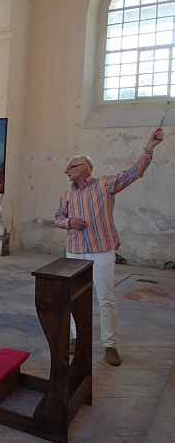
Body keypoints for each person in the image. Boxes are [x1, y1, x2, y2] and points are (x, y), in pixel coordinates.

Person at [54, 127, 164, 367]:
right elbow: (57, 217)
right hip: (74, 251)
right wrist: (69, 222)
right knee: (73, 298)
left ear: (85, 167)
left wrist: (149, 147)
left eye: (71, 166)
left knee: (105, 298)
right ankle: (75, 338)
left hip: (101, 251)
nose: (66, 170)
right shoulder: (67, 194)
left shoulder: (104, 184)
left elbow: (132, 173)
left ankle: (110, 345)